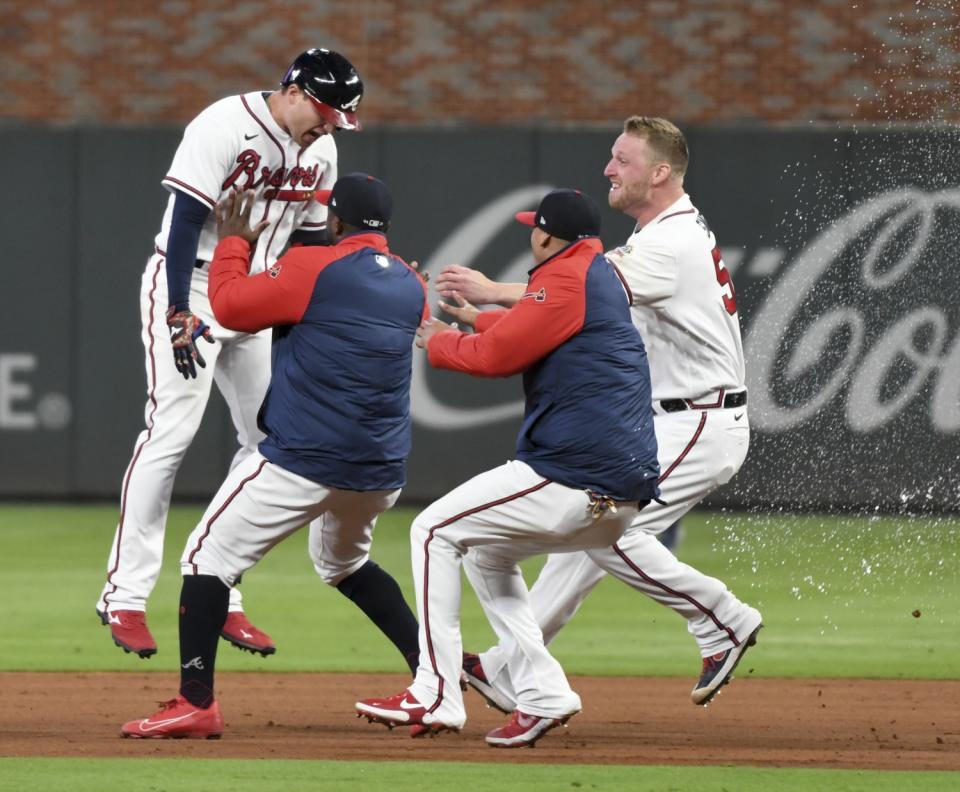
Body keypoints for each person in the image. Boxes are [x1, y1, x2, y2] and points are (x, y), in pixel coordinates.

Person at [436, 116, 762, 711]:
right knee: (588, 540)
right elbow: (562, 314)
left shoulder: (671, 241)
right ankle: (510, 670)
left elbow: (575, 293)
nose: (609, 169)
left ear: (660, 172)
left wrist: (488, 291)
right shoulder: (660, 234)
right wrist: (477, 319)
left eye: (623, 160)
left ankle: (724, 619)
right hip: (670, 417)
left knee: (608, 529)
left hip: (698, 419)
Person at [121, 173, 427, 739]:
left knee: (206, 557)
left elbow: (232, 308)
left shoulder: (315, 266)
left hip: (307, 460)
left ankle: (196, 702)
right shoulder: (412, 282)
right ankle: (432, 678)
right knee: (347, 565)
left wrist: (234, 240)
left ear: (335, 220)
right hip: (380, 470)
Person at [355, 188, 660, 748]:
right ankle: (542, 690)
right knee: (489, 552)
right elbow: (542, 333)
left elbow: (498, 358)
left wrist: (443, 341)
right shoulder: (596, 274)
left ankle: (436, 691)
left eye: (533, 228)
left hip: (572, 475)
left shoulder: (564, 278)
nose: (529, 235)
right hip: (619, 490)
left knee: (431, 532)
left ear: (546, 235)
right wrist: (480, 319)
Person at [96, 48, 364, 659]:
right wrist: (177, 312)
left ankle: (220, 591)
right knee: (170, 433)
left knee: (268, 444)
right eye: (324, 111)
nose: (329, 125)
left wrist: (310, 302)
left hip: (257, 291)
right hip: (189, 281)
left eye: (338, 118)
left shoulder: (322, 149)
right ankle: (125, 596)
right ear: (294, 91)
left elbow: (312, 236)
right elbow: (187, 219)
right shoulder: (222, 124)